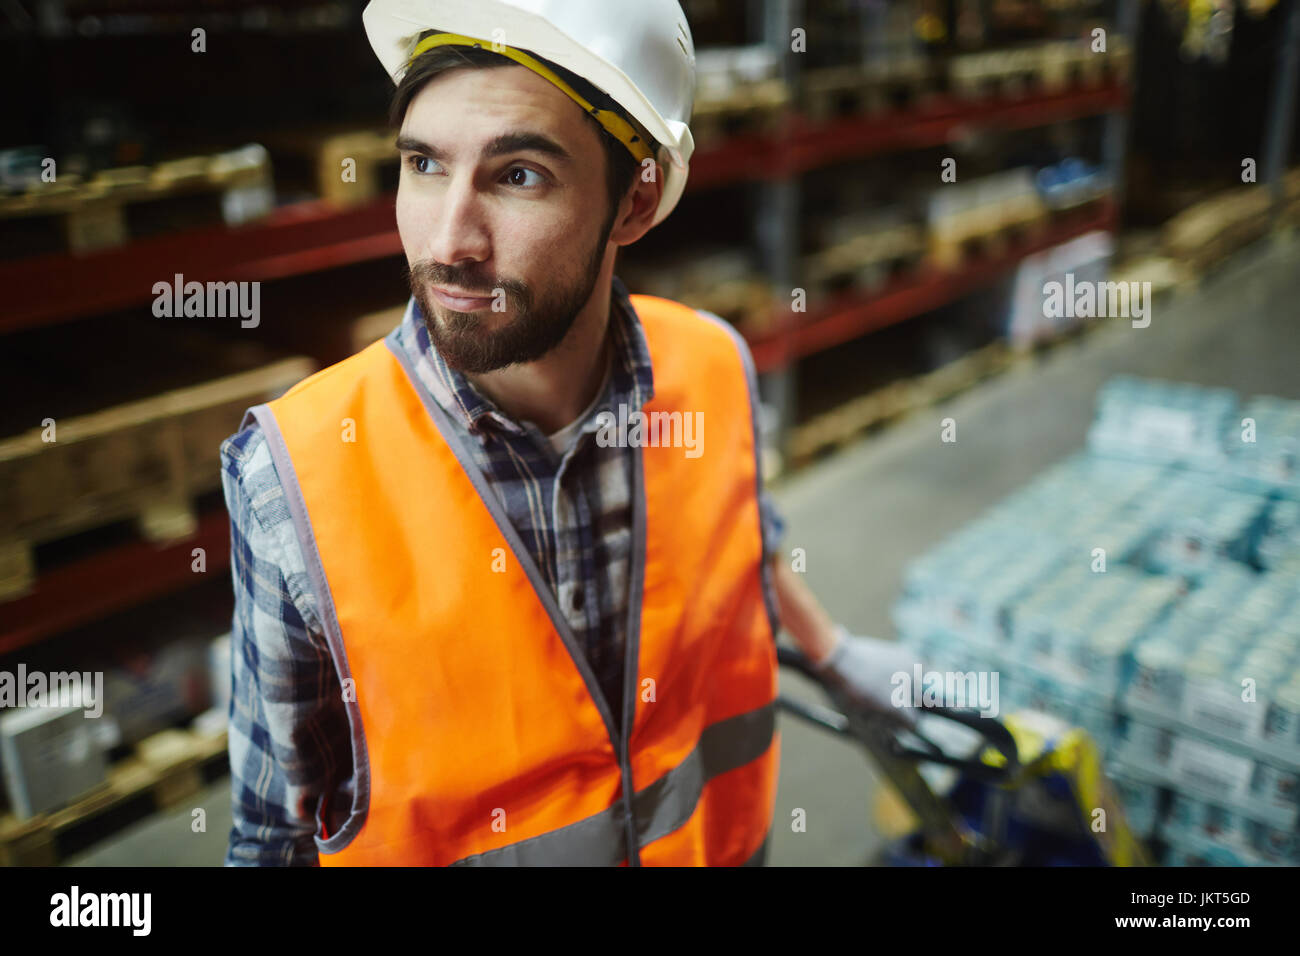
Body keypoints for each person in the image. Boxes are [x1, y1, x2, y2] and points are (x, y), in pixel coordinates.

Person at [219, 0, 916, 867]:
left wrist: (831, 650)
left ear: (636, 200)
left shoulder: (711, 367)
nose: (449, 242)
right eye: (425, 164)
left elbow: (744, 546)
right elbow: (272, 836)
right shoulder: (296, 475)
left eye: (518, 175)